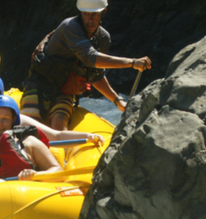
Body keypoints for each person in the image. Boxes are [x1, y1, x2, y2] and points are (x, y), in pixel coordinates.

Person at [20, 0, 152, 130]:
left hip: (63, 91)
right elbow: (90, 58)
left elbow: (96, 75)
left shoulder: (103, 38)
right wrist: (132, 63)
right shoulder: (70, 27)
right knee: (29, 128)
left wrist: (117, 101)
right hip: (38, 85)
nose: (90, 19)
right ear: (80, 13)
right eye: (86, 14)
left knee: (59, 121)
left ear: (103, 12)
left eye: (94, 14)